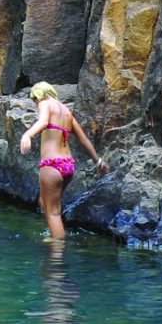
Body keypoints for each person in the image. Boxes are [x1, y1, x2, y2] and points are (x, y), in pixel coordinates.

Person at [17, 82, 107, 240]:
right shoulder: (66, 112)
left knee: (52, 212)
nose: (37, 104)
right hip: (68, 166)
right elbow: (83, 139)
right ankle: (56, 231)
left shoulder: (45, 103)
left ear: (41, 95)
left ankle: (56, 251)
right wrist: (98, 161)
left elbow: (43, 121)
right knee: (45, 202)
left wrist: (28, 135)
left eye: (35, 100)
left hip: (52, 165)